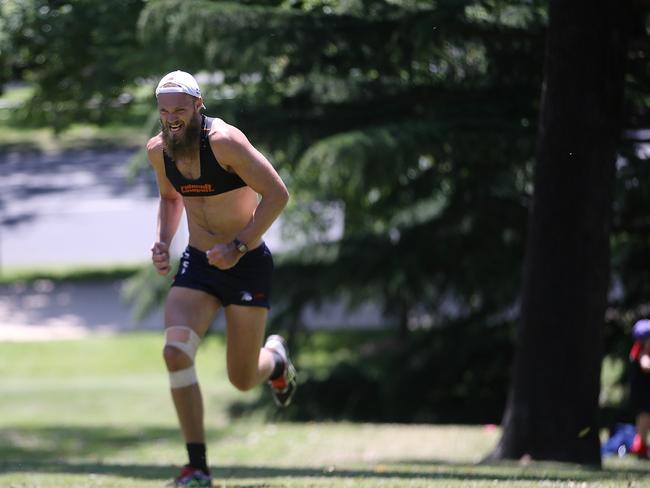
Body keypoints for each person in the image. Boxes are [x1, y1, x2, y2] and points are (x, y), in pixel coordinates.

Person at [147, 70, 297, 487]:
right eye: (164, 111)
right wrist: (163, 242)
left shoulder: (226, 142)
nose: (172, 118)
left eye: (180, 109)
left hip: (246, 262)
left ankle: (277, 361)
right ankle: (197, 467)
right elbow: (169, 197)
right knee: (175, 352)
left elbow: (278, 194)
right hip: (198, 263)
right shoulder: (160, 150)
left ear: (199, 105)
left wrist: (241, 245)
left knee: (243, 378)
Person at [629, 319, 650, 459]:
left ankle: (641, 446)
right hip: (644, 394)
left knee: (644, 421)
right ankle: (640, 448)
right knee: (644, 420)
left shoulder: (639, 349)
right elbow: (646, 366)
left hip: (643, 393)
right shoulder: (642, 352)